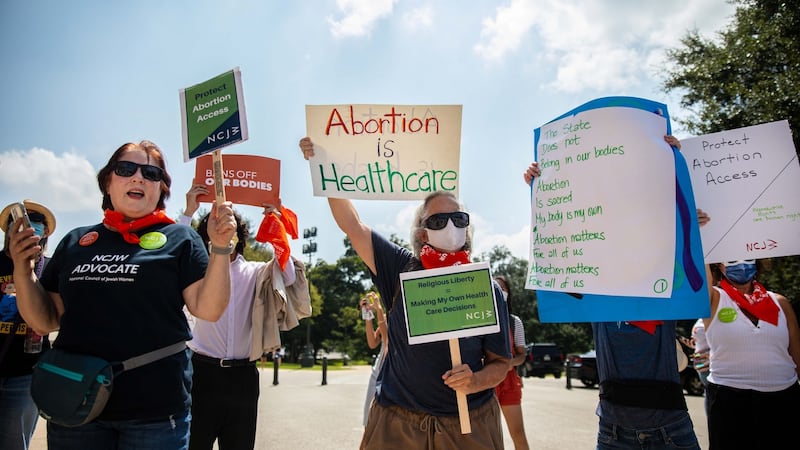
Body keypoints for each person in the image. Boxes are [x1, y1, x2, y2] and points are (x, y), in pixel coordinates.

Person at [8, 140, 237, 450]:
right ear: (108, 182)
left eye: (151, 173)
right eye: (126, 169)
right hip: (75, 403)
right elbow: (46, 320)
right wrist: (23, 272)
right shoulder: (75, 241)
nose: (138, 178)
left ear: (161, 189)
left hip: (155, 412)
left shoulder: (181, 238)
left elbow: (208, 310)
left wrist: (221, 247)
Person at [300, 137, 512, 450]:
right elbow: (353, 225)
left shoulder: (485, 287)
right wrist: (323, 166)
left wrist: (475, 380)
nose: (450, 226)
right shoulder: (400, 268)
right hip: (398, 425)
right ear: (422, 231)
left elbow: (500, 363)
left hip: (468, 424)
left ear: (468, 228)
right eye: (439, 220)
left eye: (458, 219)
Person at [524, 135, 703, 450]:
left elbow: (691, 264)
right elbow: (556, 254)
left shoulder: (664, 275)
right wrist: (540, 189)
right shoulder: (593, 285)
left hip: (671, 429)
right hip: (613, 432)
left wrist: (677, 175)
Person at [178, 184, 309, 450]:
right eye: (216, 225)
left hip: (243, 378)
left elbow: (288, 276)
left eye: (230, 226)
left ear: (239, 236)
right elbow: (174, 252)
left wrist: (276, 228)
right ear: (207, 236)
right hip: (201, 374)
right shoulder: (195, 270)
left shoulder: (256, 272)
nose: (224, 229)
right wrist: (188, 212)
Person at [703, 259, 800, 450]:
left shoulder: (780, 302)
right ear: (718, 266)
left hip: (782, 401)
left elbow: (797, 354)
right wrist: (699, 232)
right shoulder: (713, 299)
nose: (741, 264)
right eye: (731, 260)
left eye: (747, 259)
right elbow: (699, 263)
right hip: (729, 402)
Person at [0, 200, 56, 450]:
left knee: (15, 443)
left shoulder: (52, 268)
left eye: (36, 221)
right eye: (20, 220)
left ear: (44, 232)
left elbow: (56, 319)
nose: (28, 225)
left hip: (28, 375)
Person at [493, 275, 530, 450]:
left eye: (503, 288)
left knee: (518, 434)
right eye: (495, 287)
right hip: (486, 384)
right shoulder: (480, 322)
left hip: (509, 383)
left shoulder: (515, 322)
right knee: (491, 438)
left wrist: (510, 363)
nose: (500, 291)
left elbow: (522, 355)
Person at [360, 291, 388, 427]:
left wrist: (379, 310)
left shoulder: (397, 317)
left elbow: (388, 340)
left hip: (392, 372)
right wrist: (367, 316)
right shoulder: (385, 317)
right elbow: (372, 343)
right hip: (377, 370)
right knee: (369, 417)